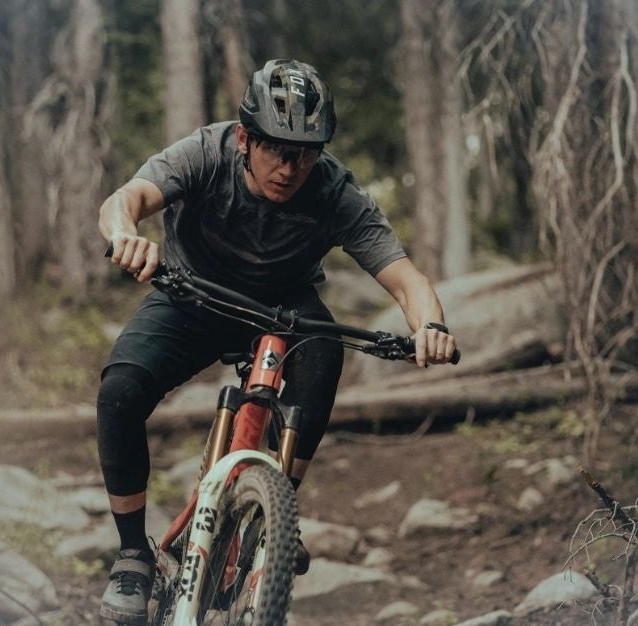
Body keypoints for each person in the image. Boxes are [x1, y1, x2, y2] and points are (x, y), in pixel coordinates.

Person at [96, 58, 458, 624]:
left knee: (322, 353)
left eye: (306, 154)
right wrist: (125, 235)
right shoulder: (204, 153)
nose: (292, 169)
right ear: (245, 138)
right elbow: (127, 199)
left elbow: (406, 279)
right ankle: (133, 555)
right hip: (191, 296)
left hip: (281, 309)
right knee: (119, 390)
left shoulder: (334, 191)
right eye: (277, 151)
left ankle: (275, 516)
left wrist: (429, 326)